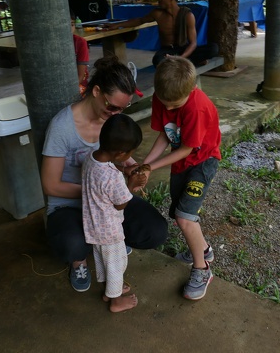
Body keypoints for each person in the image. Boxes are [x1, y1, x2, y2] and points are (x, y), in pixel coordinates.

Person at [41, 56, 168, 293]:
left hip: (108, 205)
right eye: (112, 106)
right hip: (70, 205)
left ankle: (114, 240)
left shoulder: (111, 121)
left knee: (155, 231)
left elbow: (121, 159)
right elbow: (51, 185)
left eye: (123, 108)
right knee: (71, 245)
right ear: (97, 91)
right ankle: (79, 261)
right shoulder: (62, 127)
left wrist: (134, 169)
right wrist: (97, 193)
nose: (116, 114)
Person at [136, 56, 221, 301]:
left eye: (175, 105)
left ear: (192, 89)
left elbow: (186, 148)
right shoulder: (162, 98)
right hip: (181, 162)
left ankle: (202, 270)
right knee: (179, 213)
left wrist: (151, 166)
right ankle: (205, 250)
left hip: (203, 162)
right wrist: (146, 165)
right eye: (166, 104)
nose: (170, 109)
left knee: (184, 217)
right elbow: (166, 133)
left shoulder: (197, 107)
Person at [82, 114, 144, 312]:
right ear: (120, 154)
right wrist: (131, 184)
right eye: (130, 154)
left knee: (104, 261)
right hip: (110, 230)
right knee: (117, 264)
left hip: (93, 226)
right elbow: (121, 204)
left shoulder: (91, 159)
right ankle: (116, 301)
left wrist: (121, 171)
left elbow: (103, 178)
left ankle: (110, 291)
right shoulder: (114, 178)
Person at [105, 0, 218, 67]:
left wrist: (180, 58)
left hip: (183, 50)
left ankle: (180, 62)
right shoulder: (157, 13)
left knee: (213, 48)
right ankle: (188, 62)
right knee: (157, 61)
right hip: (167, 51)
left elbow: (193, 44)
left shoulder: (188, 15)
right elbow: (139, 20)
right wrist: (116, 25)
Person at [70, 11, 90, 95]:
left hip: (78, 84)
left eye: (72, 24)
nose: (70, 28)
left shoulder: (80, 42)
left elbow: (81, 76)